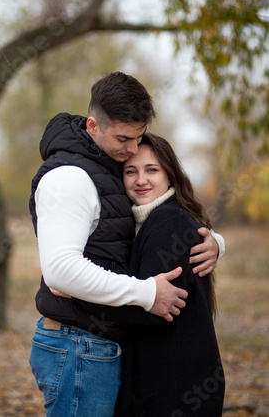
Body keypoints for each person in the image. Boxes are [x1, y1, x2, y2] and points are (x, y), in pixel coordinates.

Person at [29, 72, 225, 417]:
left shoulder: (105, 166)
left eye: (139, 139)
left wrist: (215, 242)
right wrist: (147, 293)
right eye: (124, 139)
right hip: (78, 346)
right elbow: (61, 270)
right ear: (93, 125)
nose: (132, 150)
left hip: (95, 346)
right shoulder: (71, 177)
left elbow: (146, 236)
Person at [72, 133, 225, 416]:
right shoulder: (149, 221)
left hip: (174, 391)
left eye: (151, 170)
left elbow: (155, 310)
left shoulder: (168, 223)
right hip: (172, 382)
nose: (141, 180)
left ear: (171, 175)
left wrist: (76, 293)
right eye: (131, 171)